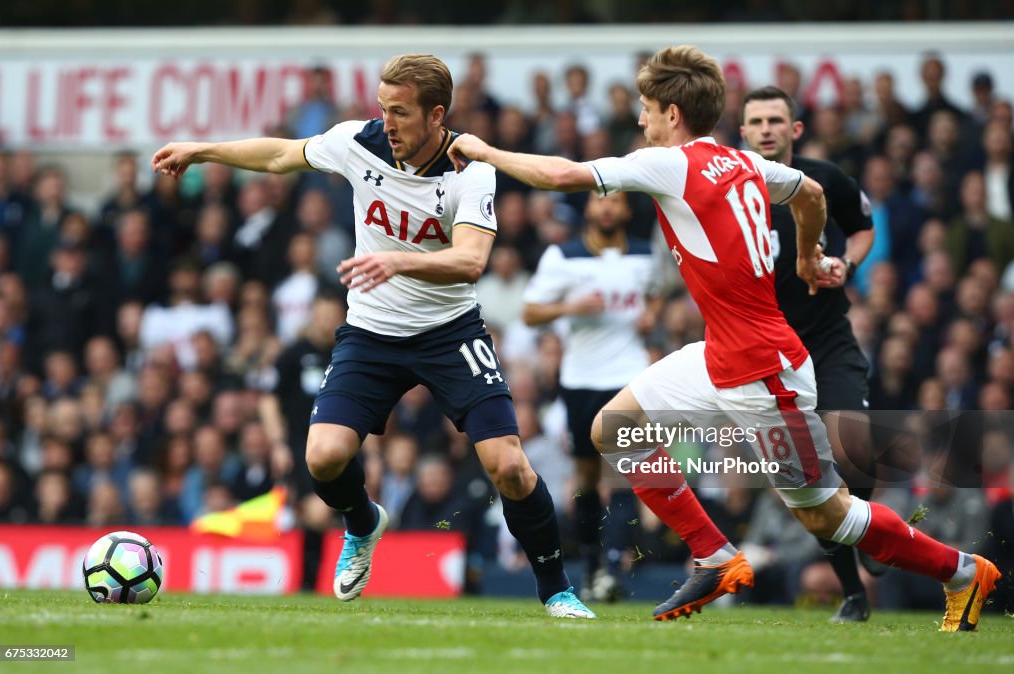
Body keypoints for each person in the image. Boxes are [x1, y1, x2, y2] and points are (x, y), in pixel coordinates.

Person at [448, 44, 1001, 631]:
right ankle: (714, 555)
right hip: (722, 354)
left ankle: (964, 571)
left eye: (645, 110)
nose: (640, 121)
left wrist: (483, 150)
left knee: (828, 517)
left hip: (765, 373)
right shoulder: (745, 163)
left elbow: (562, 175)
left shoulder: (670, 163)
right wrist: (811, 255)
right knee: (613, 429)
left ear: (672, 113)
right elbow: (811, 194)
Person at [152, 53, 593, 618]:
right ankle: (362, 523)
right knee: (324, 458)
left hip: (448, 332)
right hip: (371, 333)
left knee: (508, 465)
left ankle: (556, 590)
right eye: (383, 109)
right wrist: (203, 148)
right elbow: (282, 154)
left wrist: (398, 263)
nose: (387, 122)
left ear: (437, 115)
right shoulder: (358, 143)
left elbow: (471, 261)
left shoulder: (470, 169)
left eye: (401, 113)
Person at [739, 85, 876, 622]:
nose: (767, 128)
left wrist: (847, 263)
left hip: (825, 339)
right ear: (743, 132)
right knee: (808, 481)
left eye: (777, 119)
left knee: (856, 445)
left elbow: (863, 229)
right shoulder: (731, 189)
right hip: (768, 353)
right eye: (757, 121)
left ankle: (869, 530)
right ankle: (853, 592)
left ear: (795, 129)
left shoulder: (826, 180)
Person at [522, 189, 660, 600]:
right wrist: (569, 308)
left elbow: (655, 292)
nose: (607, 207)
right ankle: (593, 567)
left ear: (626, 209)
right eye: (601, 200)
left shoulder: (644, 254)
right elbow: (530, 312)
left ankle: (614, 565)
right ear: (589, 208)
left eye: (615, 200)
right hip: (580, 377)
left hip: (628, 375)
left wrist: (651, 312)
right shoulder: (562, 256)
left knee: (624, 472)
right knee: (585, 477)